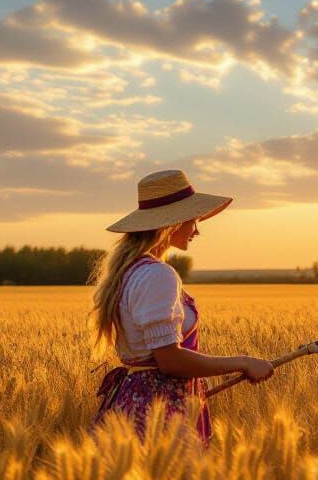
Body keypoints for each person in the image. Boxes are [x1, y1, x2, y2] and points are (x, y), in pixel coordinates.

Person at [89, 169, 273, 446]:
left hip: (133, 401)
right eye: (193, 221)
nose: (197, 230)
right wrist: (243, 362)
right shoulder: (158, 275)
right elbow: (170, 360)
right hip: (159, 410)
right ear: (171, 224)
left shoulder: (129, 271)